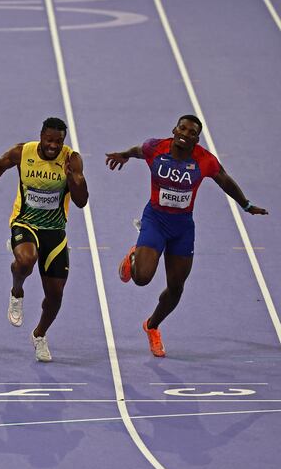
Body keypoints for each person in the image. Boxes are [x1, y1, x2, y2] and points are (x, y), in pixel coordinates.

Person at [105, 114, 267, 357]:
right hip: (155, 221)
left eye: (192, 132)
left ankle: (152, 326)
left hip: (182, 228)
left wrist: (245, 205)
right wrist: (124, 155)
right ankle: (134, 258)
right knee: (141, 278)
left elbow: (224, 180)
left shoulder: (204, 160)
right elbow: (139, 150)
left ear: (196, 138)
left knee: (176, 289)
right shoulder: (155, 148)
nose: (185, 133)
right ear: (174, 130)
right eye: (182, 128)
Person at [0, 117, 88, 362]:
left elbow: (81, 202)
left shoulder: (71, 159)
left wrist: (74, 178)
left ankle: (39, 335)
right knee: (26, 260)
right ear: (41, 135)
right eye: (49, 140)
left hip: (55, 231)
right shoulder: (23, 152)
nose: (53, 146)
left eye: (59, 141)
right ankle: (17, 292)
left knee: (55, 295)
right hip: (25, 222)